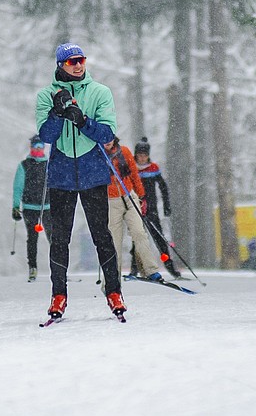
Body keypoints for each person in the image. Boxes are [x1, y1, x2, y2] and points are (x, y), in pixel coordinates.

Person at [36, 42, 125, 322]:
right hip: (62, 174)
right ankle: (58, 295)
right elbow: (46, 136)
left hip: (92, 172)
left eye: (81, 59)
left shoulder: (100, 92)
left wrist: (82, 119)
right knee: (60, 238)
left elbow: (107, 133)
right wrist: (57, 113)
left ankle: (114, 292)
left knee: (102, 235)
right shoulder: (45, 95)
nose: (78, 65)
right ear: (61, 65)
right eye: (71, 61)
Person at [103, 136, 165, 283]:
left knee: (139, 233)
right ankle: (112, 276)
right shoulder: (97, 154)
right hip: (111, 201)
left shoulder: (124, 152)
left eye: (109, 137)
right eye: (103, 138)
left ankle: (151, 270)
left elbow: (134, 175)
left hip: (129, 197)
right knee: (114, 240)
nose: (107, 141)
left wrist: (142, 196)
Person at [133, 137, 180, 278]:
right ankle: (134, 269)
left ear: (148, 156)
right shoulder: (132, 168)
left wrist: (166, 206)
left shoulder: (153, 168)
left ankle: (169, 265)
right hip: (136, 208)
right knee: (137, 239)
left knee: (159, 239)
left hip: (151, 209)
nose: (142, 159)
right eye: (139, 156)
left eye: (144, 156)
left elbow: (163, 187)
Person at [12, 137, 51, 282]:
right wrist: (16, 207)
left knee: (53, 237)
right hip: (30, 207)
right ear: (31, 147)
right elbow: (18, 187)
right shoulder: (24, 165)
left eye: (41, 146)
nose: (38, 149)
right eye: (36, 146)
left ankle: (58, 267)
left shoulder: (49, 164)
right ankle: (32, 267)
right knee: (32, 238)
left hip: (47, 206)